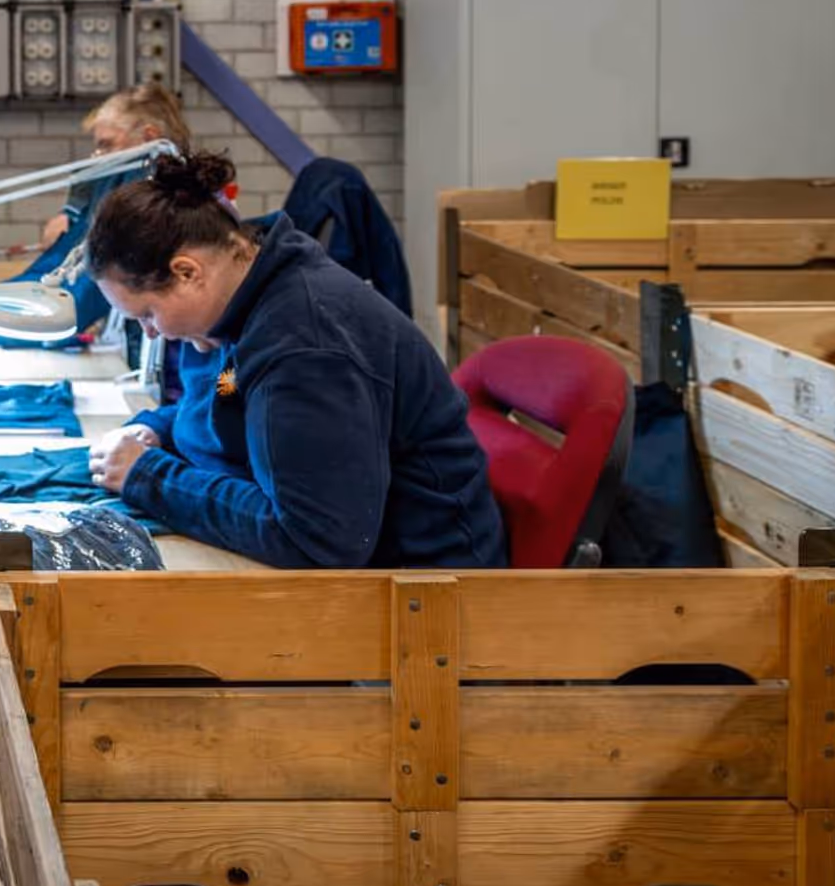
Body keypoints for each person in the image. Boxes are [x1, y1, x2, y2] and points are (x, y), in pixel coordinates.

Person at [84, 149, 507, 570]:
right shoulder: (240, 304)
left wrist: (149, 477)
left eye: (148, 314)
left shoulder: (305, 347)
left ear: (187, 272)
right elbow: (227, 393)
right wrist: (157, 429)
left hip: (426, 587)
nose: (151, 332)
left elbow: (316, 539)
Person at [42, 84, 192, 247]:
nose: (98, 156)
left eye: (107, 144)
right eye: (99, 147)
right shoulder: (99, 185)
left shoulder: (181, 200)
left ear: (149, 137)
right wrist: (66, 218)